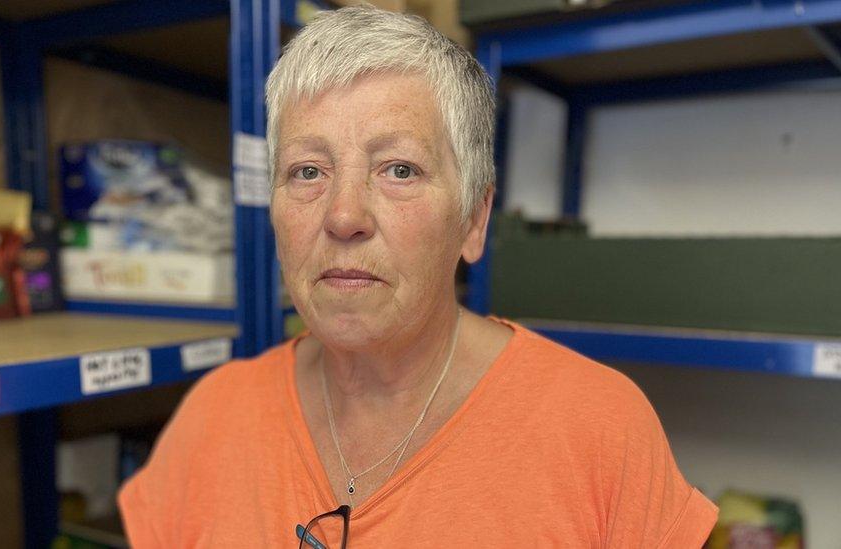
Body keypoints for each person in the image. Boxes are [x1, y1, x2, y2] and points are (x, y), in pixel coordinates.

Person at [118, 6, 718, 547]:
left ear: (474, 219)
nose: (344, 215)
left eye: (399, 169)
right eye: (306, 171)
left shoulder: (600, 432)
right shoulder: (213, 418)